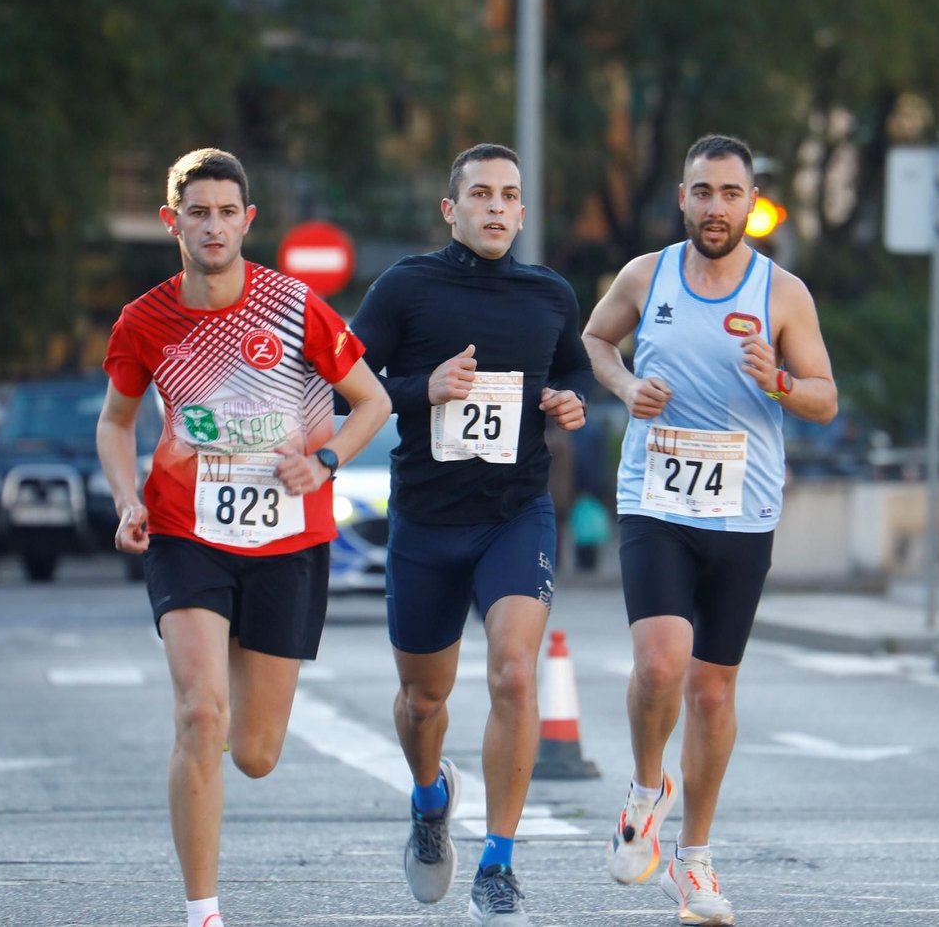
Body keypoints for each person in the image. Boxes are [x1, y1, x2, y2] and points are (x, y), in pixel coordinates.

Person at [97, 148, 389, 927]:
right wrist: (128, 499)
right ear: (173, 223)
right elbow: (116, 421)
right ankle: (203, 913)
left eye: (228, 211)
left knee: (255, 753)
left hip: (288, 542)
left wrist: (325, 461)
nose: (214, 225)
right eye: (199, 212)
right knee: (200, 714)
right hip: (185, 533)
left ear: (247, 220)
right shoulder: (145, 320)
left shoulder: (295, 308)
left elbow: (372, 403)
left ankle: (225, 712)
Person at [582, 134, 837, 925]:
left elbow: (825, 397)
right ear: (683, 199)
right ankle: (646, 786)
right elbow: (596, 340)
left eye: (731, 193)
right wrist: (626, 386)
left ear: (750, 203)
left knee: (715, 690)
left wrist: (781, 381)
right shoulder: (645, 275)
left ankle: (693, 860)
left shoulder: (782, 292)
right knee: (661, 665)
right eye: (702, 192)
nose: (715, 207)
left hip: (742, 507)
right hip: (657, 498)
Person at [347, 143, 591, 926]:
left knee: (516, 674)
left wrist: (568, 401)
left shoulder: (551, 294)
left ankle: (499, 860)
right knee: (424, 700)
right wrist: (425, 387)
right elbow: (347, 379)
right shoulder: (407, 287)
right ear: (451, 210)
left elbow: (575, 372)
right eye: (479, 194)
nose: (495, 207)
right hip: (426, 520)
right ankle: (429, 801)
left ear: (523, 212)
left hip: (515, 514)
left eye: (508, 195)